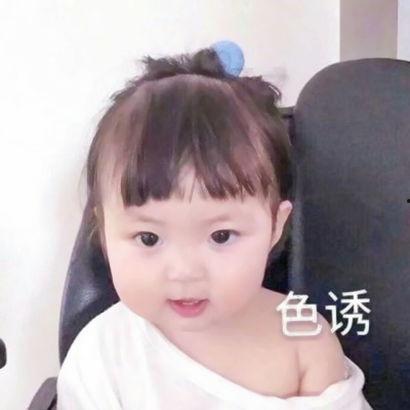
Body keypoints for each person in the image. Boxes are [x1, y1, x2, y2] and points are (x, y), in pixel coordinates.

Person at [56, 45, 372, 409]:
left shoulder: (305, 340)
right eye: (149, 238)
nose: (185, 271)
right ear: (103, 231)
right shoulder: (100, 356)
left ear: (275, 225)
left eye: (221, 236)